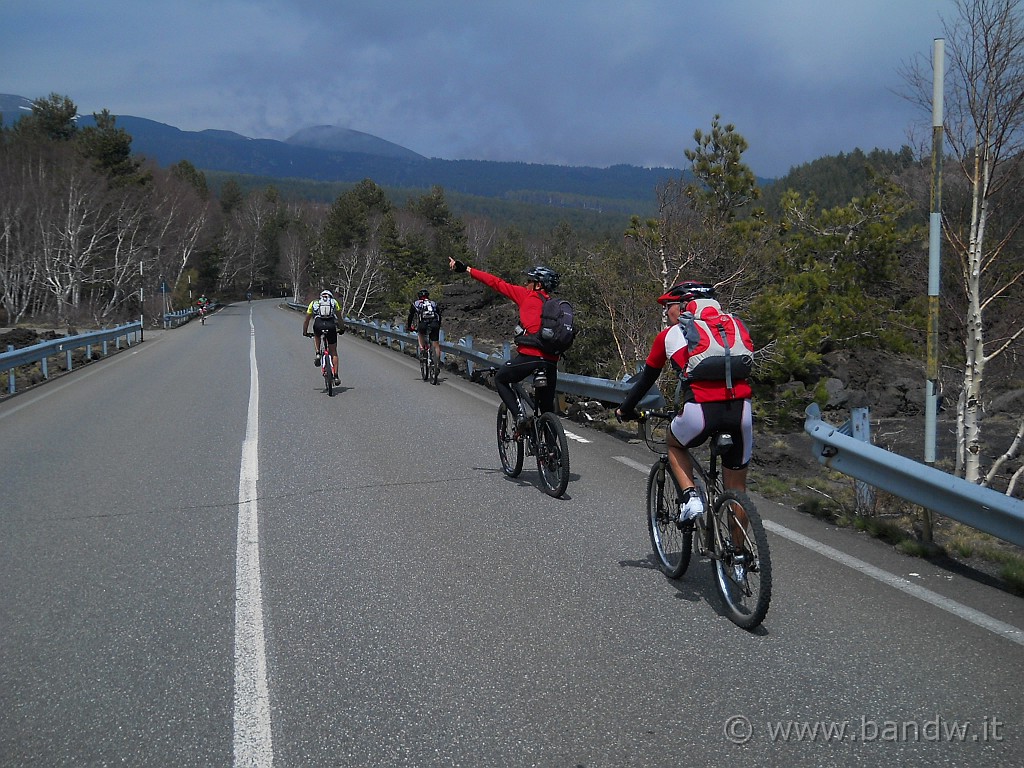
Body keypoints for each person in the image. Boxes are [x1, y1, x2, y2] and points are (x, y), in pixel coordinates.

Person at [615, 281, 753, 524]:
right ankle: (739, 559)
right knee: (738, 491)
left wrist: (625, 409)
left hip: (700, 410)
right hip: (741, 411)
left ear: (681, 306)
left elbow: (646, 380)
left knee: (674, 444)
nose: (666, 312)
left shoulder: (668, 336)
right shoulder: (729, 327)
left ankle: (691, 498)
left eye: (668, 306)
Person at [449, 256, 560, 429]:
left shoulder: (526, 295)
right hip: (551, 362)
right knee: (546, 411)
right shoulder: (555, 305)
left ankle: (520, 416)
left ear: (538, 285)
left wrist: (467, 269)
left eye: (529, 281)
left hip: (529, 357)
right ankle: (553, 451)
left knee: (501, 379)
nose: (526, 284)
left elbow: (495, 282)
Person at [302, 289, 343, 385]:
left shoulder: (314, 303)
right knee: (333, 352)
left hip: (318, 324)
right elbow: (340, 318)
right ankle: (336, 376)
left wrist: (305, 332)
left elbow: (306, 320)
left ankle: (317, 353)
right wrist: (342, 328)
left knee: (316, 335)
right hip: (331, 325)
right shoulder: (334, 302)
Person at [406, 289, 442, 371]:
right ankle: (437, 364)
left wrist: (409, 326)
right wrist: (438, 325)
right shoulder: (433, 303)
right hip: (434, 324)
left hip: (423, 324)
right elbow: (439, 315)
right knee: (436, 344)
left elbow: (410, 316)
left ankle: (422, 350)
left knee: (420, 334)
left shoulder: (416, 303)